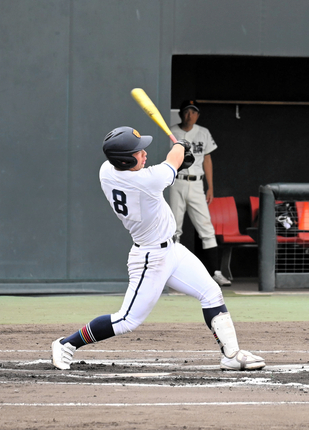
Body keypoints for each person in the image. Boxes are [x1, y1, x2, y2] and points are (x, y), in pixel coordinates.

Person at [51, 126, 265, 371]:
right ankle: (66, 344)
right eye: (138, 152)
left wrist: (177, 164)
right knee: (126, 320)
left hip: (173, 250)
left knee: (211, 293)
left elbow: (170, 167)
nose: (144, 154)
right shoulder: (146, 181)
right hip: (150, 258)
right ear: (125, 159)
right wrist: (182, 146)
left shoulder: (107, 170)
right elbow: (173, 158)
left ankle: (231, 355)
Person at [169, 100, 230, 286]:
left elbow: (207, 160)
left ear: (197, 115)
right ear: (181, 113)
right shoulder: (171, 132)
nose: (190, 115)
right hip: (176, 182)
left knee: (206, 229)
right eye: (187, 111)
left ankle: (216, 273)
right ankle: (172, 273)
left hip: (196, 184)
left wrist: (210, 187)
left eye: (193, 112)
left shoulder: (203, 132)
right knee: (173, 229)